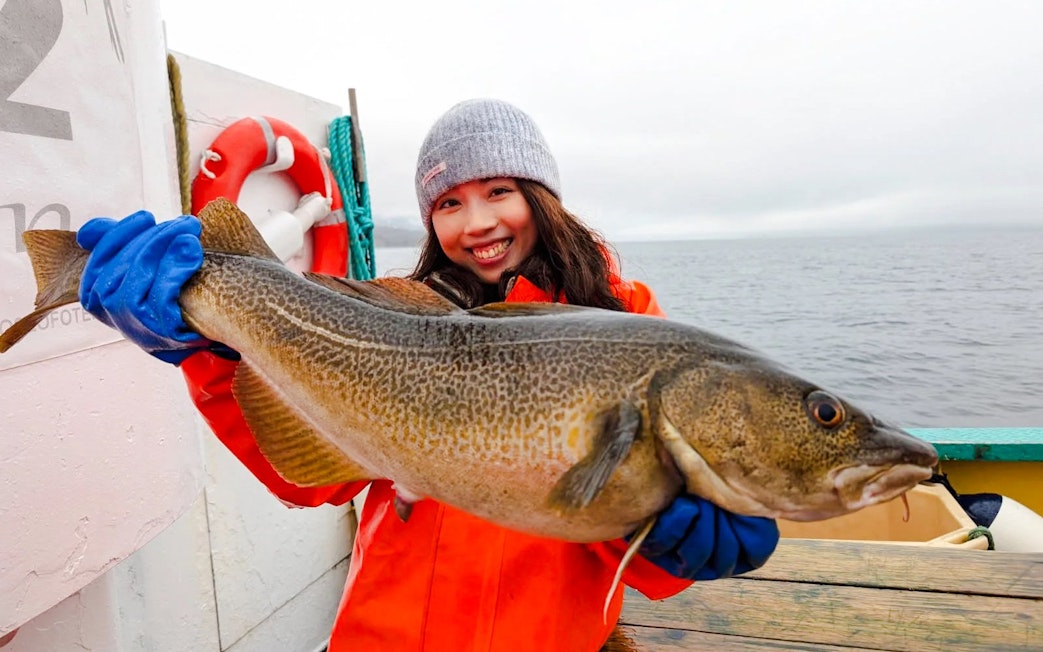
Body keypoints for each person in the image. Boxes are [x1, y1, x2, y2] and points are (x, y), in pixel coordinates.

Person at [77, 98, 779, 651]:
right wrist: (207, 351)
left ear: (543, 196)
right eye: (447, 203)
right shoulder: (391, 318)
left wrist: (671, 550)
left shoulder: (630, 322)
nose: (475, 222)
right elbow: (317, 476)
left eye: (498, 190)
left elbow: (634, 541)